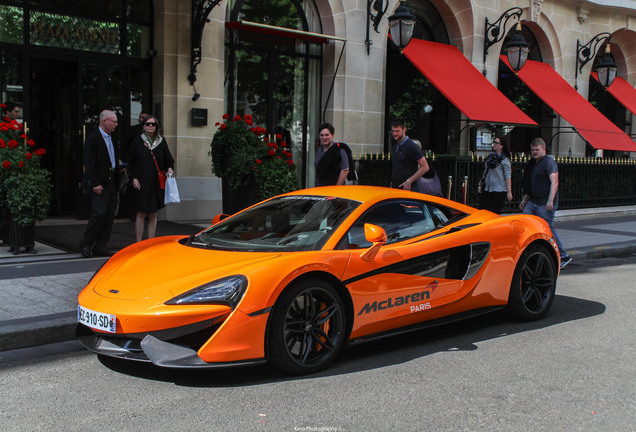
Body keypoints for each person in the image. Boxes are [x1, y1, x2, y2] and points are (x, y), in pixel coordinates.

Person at [519, 137, 572, 269]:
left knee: (548, 228)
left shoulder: (548, 161)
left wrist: (550, 201)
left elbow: (554, 181)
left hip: (544, 202)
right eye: (532, 150)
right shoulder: (532, 163)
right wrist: (525, 200)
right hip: (532, 201)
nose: (534, 152)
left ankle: (563, 255)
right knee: (527, 224)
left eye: (537, 150)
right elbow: (530, 184)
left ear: (544, 149)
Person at [79, 110, 121, 258]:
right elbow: (89, 163)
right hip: (100, 184)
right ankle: (86, 244)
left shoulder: (111, 138)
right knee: (98, 214)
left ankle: (101, 245)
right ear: (104, 122)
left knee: (109, 215)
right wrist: (94, 183)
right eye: (113, 122)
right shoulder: (93, 138)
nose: (116, 124)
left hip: (111, 182)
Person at [127, 115, 174, 242]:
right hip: (141, 181)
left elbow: (169, 160)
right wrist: (133, 178)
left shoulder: (161, 142)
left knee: (154, 213)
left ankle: (150, 241)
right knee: (141, 212)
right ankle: (138, 242)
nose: (150, 126)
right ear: (143, 126)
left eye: (153, 124)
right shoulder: (137, 141)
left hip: (156, 182)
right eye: (148, 124)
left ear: (156, 127)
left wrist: (169, 168)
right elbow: (130, 162)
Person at [390, 118, 430, 191]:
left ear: (404, 129)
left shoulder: (411, 146)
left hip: (410, 189)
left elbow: (425, 167)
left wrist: (409, 181)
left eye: (397, 131)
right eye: (393, 131)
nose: (395, 134)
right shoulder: (396, 146)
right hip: (396, 188)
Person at [479, 136, 513, 214]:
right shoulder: (490, 157)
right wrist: (481, 183)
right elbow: (486, 171)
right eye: (493, 142)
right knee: (483, 210)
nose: (494, 144)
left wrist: (509, 192)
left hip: (499, 189)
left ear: (501, 146)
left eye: (496, 143)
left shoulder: (505, 160)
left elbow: (508, 176)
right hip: (488, 188)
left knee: (495, 212)